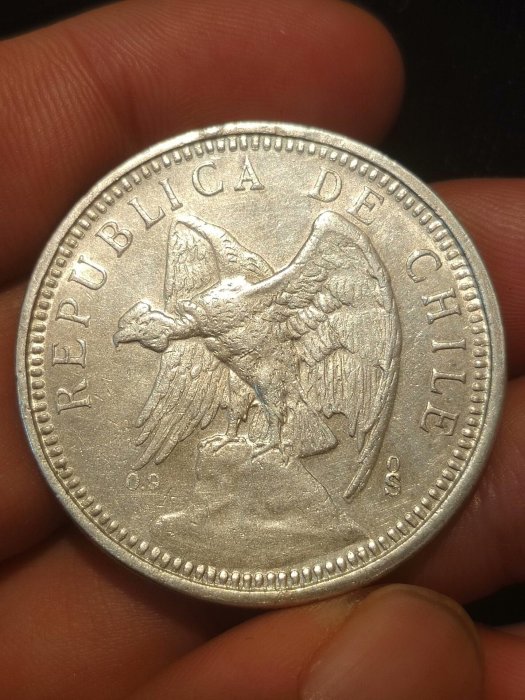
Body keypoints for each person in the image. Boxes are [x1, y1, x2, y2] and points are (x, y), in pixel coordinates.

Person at [0, 0, 523, 697]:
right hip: (251, 390)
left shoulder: (271, 294)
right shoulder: (205, 314)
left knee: (274, 382)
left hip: (293, 386)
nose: (148, 337)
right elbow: (204, 343)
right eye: (148, 332)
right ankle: (264, 436)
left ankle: (281, 439)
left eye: (146, 330)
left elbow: (274, 345)